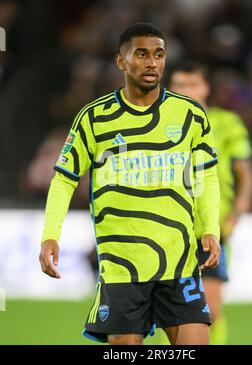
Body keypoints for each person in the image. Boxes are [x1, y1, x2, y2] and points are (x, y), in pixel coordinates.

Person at [39, 23, 221, 345]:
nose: (152, 63)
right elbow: (64, 180)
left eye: (159, 54)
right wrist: (51, 234)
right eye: (141, 54)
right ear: (121, 61)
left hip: (178, 261)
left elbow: (205, 174)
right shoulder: (94, 119)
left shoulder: (190, 114)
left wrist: (210, 228)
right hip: (123, 268)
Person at [169, 63, 252, 344]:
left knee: (211, 310)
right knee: (171, 311)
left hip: (212, 229)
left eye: (192, 84)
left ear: (206, 88)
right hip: (170, 229)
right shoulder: (159, 124)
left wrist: (236, 215)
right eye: (180, 85)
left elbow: (246, 175)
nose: (186, 91)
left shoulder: (227, 123)